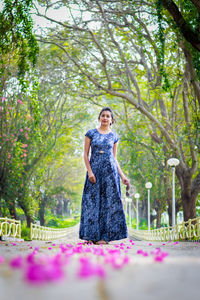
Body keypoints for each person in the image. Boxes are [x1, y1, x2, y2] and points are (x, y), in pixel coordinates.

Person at [79, 107, 130, 245]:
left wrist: (123, 176)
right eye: (103, 115)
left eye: (108, 116)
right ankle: (90, 236)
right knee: (91, 203)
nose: (105, 118)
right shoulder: (91, 134)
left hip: (110, 174)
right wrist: (90, 171)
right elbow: (85, 154)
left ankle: (104, 237)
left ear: (112, 120)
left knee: (108, 205)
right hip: (94, 172)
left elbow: (114, 158)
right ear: (99, 117)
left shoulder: (114, 137)